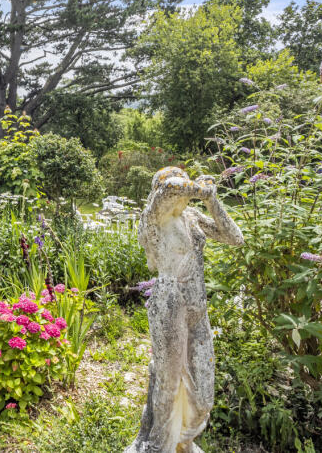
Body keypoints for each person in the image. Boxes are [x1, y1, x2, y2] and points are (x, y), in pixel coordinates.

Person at [126, 167, 244, 453]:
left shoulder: (191, 219)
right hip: (170, 305)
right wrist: (198, 187)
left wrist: (212, 201)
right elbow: (169, 190)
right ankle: (159, 447)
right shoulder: (153, 218)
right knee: (169, 384)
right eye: (177, 185)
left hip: (197, 308)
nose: (183, 193)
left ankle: (183, 440)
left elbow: (235, 237)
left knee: (203, 395)